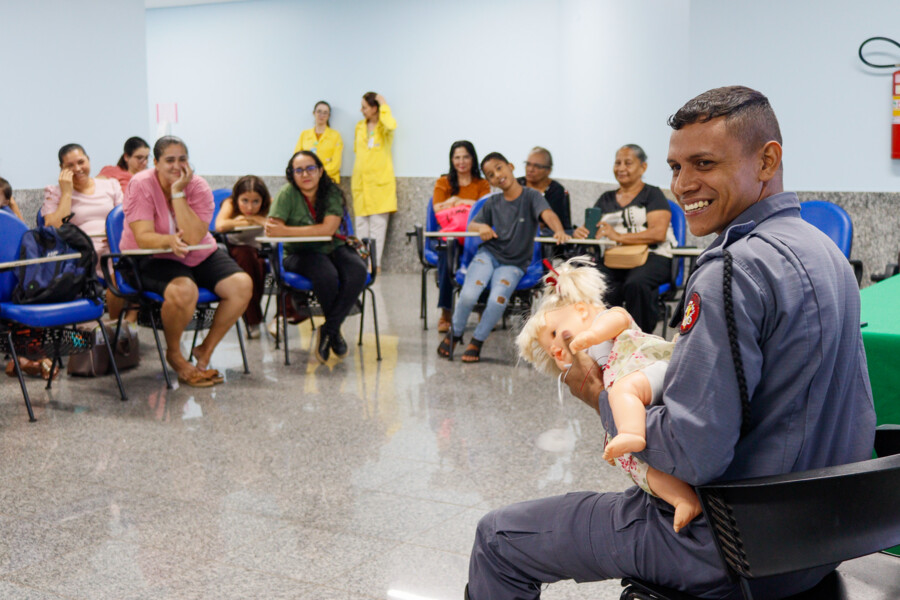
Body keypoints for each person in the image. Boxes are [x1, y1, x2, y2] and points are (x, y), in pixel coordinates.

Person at [466, 86, 876, 599]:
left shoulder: (730, 271)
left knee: (499, 538)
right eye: (676, 167)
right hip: (817, 542)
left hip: (726, 543)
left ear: (767, 159)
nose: (684, 185)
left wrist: (601, 397)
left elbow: (693, 452)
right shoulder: (825, 252)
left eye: (703, 163)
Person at [517, 256, 700, 533]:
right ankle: (682, 499)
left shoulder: (603, 322)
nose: (556, 346)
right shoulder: (585, 357)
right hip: (634, 393)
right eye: (549, 349)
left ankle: (632, 432)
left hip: (653, 369)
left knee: (624, 389)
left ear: (581, 310)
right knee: (636, 467)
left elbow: (621, 318)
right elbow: (588, 379)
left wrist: (590, 336)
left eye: (554, 333)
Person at [120, 136, 252, 387]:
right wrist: (169, 241)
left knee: (241, 284)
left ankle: (206, 349)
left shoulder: (198, 186)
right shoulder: (140, 184)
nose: (176, 166)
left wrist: (178, 192)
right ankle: (175, 354)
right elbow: (143, 236)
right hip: (150, 255)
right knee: (184, 291)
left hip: (196, 252)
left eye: (182, 159)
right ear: (156, 163)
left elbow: (192, 238)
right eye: (169, 160)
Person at [437, 152, 568, 363]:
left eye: (499, 168)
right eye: (490, 174)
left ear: (511, 166)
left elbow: (548, 215)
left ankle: (477, 341)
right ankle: (455, 333)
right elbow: (472, 225)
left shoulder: (532, 197)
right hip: (487, 256)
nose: (497, 175)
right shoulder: (492, 202)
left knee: (497, 300)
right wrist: (482, 227)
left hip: (514, 264)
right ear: (489, 181)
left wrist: (559, 230)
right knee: (469, 295)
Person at [266, 150, 368, 364]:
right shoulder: (286, 194)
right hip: (298, 252)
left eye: (311, 168)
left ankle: (328, 329)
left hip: (334, 246)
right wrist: (302, 232)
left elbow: (329, 230)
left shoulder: (332, 192)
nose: (305, 174)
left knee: (358, 270)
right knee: (326, 274)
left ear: (320, 171)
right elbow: (273, 229)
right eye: (299, 170)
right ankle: (335, 332)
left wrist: (288, 230)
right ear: (292, 174)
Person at [572, 144, 675, 333]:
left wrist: (618, 236)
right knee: (598, 282)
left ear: (643, 168)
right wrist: (581, 233)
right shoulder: (606, 198)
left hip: (653, 255)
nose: (621, 168)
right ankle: (606, 337)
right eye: (617, 163)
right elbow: (592, 230)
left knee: (636, 284)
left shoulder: (652, 194)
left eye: (628, 163)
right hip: (615, 257)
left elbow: (658, 233)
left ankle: (640, 339)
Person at [42, 143, 129, 319]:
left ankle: (119, 329)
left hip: (113, 250)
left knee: (127, 273)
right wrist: (67, 193)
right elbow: (52, 228)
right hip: (81, 257)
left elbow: (124, 218)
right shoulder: (55, 192)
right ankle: (113, 333)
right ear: (62, 169)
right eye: (70, 166)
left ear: (88, 160)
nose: (77, 168)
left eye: (81, 162)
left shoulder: (110, 185)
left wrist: (114, 236)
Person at [432, 140, 492, 333]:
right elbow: (437, 209)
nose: (461, 161)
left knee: (486, 256)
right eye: (457, 157)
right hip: (451, 234)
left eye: (466, 156)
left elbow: (485, 207)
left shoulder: (482, 184)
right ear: (451, 160)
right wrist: (461, 203)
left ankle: (482, 309)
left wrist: (458, 201)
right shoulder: (443, 182)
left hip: (474, 236)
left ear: (473, 159)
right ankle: (446, 312)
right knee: (445, 257)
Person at [214, 175, 271, 339]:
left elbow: (274, 225)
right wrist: (252, 221)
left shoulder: (270, 202)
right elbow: (220, 225)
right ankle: (253, 321)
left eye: (255, 202)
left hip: (260, 249)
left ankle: (279, 317)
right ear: (237, 197)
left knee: (262, 263)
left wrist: (251, 219)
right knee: (248, 260)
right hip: (235, 249)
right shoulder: (229, 203)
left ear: (263, 200)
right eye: (244, 200)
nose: (250, 207)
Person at [352, 92, 397, 271]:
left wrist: (384, 106)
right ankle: (362, 263)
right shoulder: (359, 126)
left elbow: (391, 125)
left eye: (364, 107)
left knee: (377, 229)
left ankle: (374, 264)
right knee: (361, 228)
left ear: (374, 108)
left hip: (380, 184)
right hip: (361, 183)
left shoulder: (384, 127)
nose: (361, 110)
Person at [516, 146, 571, 232]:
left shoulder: (556, 191)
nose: (530, 169)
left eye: (536, 166)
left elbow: (550, 223)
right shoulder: (517, 184)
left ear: (548, 170)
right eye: (528, 164)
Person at [294, 101, 343, 183]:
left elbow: (336, 164)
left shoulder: (335, 135)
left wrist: (318, 174)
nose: (322, 115)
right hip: (307, 180)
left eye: (325, 113)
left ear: (329, 116)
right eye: (319, 112)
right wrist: (308, 174)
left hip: (328, 179)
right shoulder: (304, 135)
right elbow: (297, 159)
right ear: (314, 113)